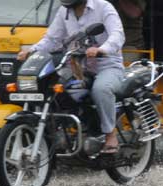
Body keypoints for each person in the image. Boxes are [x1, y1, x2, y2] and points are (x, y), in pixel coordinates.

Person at [17, 0, 125, 153]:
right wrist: (31, 51)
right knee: (54, 87)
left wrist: (102, 49)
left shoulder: (103, 7)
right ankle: (63, 130)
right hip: (76, 66)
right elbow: (52, 39)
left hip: (107, 65)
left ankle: (110, 134)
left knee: (101, 89)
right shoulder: (64, 12)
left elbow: (117, 35)